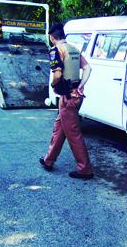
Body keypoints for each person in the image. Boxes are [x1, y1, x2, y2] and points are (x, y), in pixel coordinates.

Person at [40, 23, 94, 179]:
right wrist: (81, 86)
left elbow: (57, 74)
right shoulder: (74, 49)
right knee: (59, 127)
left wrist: (53, 84)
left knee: (74, 134)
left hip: (67, 98)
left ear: (52, 37)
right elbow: (88, 68)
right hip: (76, 95)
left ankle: (85, 169)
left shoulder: (55, 50)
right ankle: (48, 160)